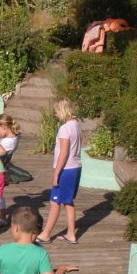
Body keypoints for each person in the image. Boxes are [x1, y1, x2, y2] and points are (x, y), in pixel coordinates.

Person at [36, 98, 82, 245]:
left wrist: (56, 173)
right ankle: (71, 234)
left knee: (55, 201)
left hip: (66, 169)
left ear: (63, 110)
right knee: (68, 201)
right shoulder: (77, 125)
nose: (56, 114)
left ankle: (46, 234)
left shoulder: (65, 128)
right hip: (75, 167)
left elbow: (64, 152)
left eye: (56, 111)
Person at [0, 114, 21, 228]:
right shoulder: (15, 136)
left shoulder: (7, 143)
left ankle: (2, 217)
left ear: (4, 127)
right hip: (5, 168)